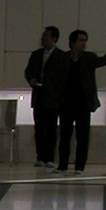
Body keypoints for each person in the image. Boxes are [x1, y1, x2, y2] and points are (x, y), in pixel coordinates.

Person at [55, 30, 106, 175]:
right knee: (65, 135)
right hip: (66, 102)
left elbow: (102, 61)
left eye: (85, 41)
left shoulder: (89, 57)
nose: (84, 43)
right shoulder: (63, 58)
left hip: (83, 102)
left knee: (83, 136)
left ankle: (79, 166)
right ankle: (62, 165)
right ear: (73, 42)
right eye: (81, 40)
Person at [24, 26, 67, 167]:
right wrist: (31, 80)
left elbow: (63, 77)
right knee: (39, 129)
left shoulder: (61, 56)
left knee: (51, 129)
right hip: (39, 96)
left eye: (45, 36)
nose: (42, 39)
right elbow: (28, 71)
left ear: (53, 38)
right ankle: (40, 156)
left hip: (53, 98)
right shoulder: (36, 54)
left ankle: (50, 157)